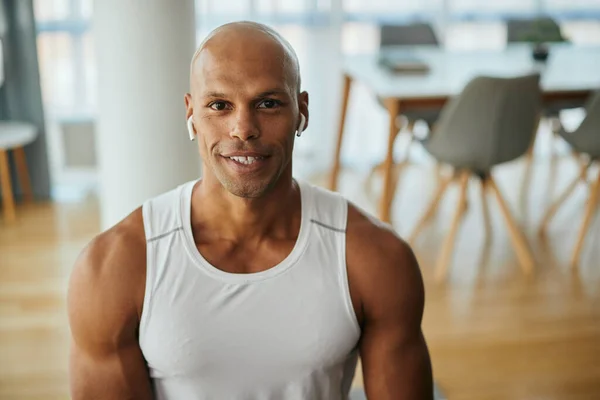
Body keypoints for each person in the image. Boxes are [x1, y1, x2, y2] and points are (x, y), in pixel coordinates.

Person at [67, 21, 433, 399]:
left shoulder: (374, 258)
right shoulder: (113, 268)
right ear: (191, 113)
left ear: (301, 111)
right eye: (219, 105)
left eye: (268, 103)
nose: (243, 128)